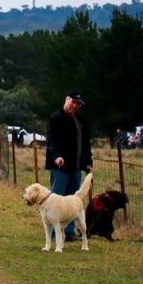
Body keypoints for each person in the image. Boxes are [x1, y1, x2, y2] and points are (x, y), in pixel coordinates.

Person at [45, 91, 93, 243]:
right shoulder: (55, 118)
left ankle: (69, 232)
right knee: (57, 199)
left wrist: (87, 161)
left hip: (76, 166)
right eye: (73, 102)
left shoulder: (81, 121)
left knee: (73, 199)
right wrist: (57, 156)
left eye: (78, 104)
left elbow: (85, 144)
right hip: (60, 165)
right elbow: (53, 141)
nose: (75, 106)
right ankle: (54, 232)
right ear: (66, 99)